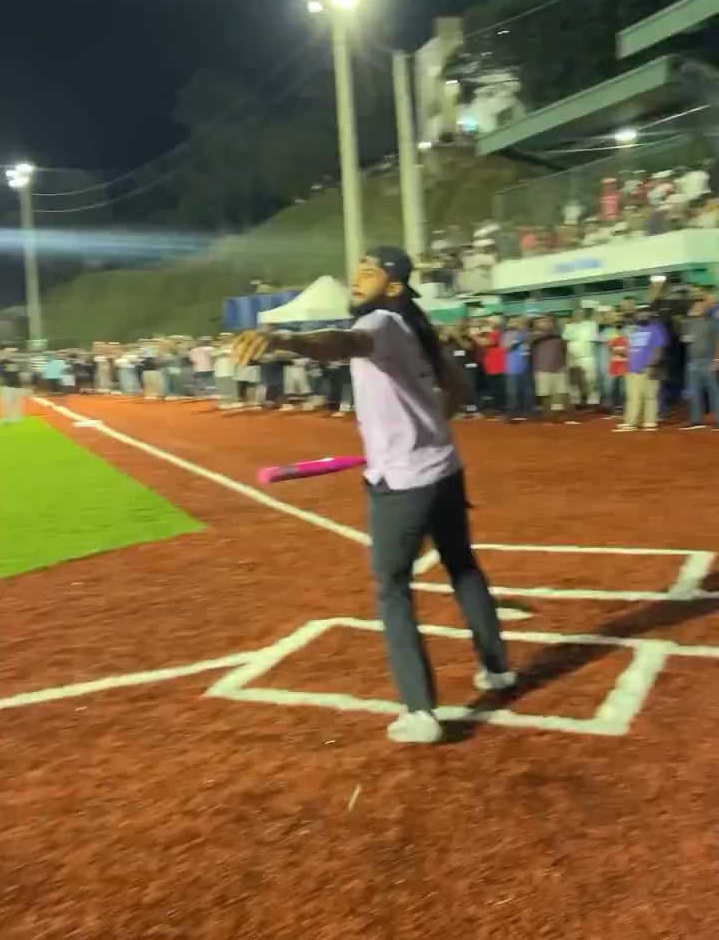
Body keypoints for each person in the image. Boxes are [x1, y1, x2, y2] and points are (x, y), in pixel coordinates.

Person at [233, 246, 514, 744]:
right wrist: (426, 428)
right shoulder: (417, 328)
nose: (357, 279)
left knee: (392, 589)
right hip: (444, 470)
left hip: (403, 482)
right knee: (462, 565)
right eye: (358, 271)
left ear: (394, 287)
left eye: (369, 273)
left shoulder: (381, 323)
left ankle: (420, 711)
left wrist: (283, 338)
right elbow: (456, 390)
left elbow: (343, 341)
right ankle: (497, 668)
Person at [614, 306, 668, 433]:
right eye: (640, 314)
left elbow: (659, 349)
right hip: (632, 368)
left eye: (645, 314)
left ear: (649, 316)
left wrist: (651, 365)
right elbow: (628, 349)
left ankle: (647, 421)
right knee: (633, 397)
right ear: (635, 317)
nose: (642, 316)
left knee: (649, 396)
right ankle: (632, 421)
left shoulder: (655, 329)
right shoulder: (633, 330)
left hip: (648, 368)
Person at [680, 296, 719, 430]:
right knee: (694, 392)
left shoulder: (713, 322)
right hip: (692, 362)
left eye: (702, 306)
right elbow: (684, 340)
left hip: (709, 361)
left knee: (714, 392)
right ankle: (696, 420)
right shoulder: (688, 323)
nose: (699, 308)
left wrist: (717, 360)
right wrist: (687, 324)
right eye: (696, 306)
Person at [531, 316, 577, 424]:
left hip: (559, 368)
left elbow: (565, 350)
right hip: (542, 369)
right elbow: (533, 341)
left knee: (564, 393)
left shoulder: (558, 335)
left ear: (551, 323)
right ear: (536, 324)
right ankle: (549, 417)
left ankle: (571, 416)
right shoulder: (533, 336)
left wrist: (565, 364)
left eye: (546, 321)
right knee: (545, 395)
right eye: (540, 322)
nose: (543, 323)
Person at [0, 348, 25, 424]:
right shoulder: (2, 363)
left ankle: (15, 417)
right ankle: (7, 418)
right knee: (7, 402)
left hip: (15, 385)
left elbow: (16, 373)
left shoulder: (12, 363)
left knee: (15, 402)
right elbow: (3, 374)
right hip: (8, 385)